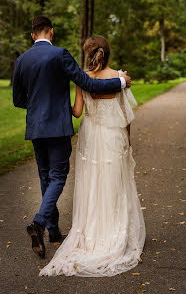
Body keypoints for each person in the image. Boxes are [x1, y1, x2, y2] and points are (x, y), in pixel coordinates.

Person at [13, 16, 131, 259]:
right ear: (52, 33)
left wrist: (38, 110)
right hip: (57, 128)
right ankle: (38, 223)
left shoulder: (22, 60)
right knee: (57, 176)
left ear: (32, 35)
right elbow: (89, 83)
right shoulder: (60, 55)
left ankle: (53, 231)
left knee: (46, 176)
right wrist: (121, 81)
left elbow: (18, 100)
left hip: (35, 128)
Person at [39, 36, 146, 277]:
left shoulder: (83, 78)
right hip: (112, 135)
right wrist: (128, 142)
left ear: (88, 55)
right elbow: (126, 115)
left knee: (92, 183)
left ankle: (91, 233)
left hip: (91, 136)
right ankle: (114, 232)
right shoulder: (119, 77)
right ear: (108, 53)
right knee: (114, 184)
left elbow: (77, 111)